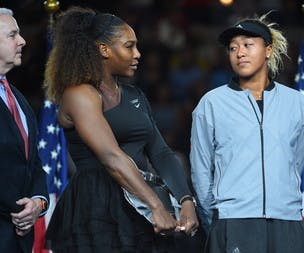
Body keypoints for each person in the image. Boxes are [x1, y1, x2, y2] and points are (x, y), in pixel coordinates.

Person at [43, 6, 198, 253]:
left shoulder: (135, 95)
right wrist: (155, 206)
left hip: (139, 203)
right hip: (96, 206)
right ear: (104, 49)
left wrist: (186, 199)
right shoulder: (79, 94)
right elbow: (111, 157)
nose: (137, 54)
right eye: (129, 46)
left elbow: (160, 153)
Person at [190, 13, 304, 253]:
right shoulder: (212, 103)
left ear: (268, 50)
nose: (239, 53)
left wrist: (284, 199)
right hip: (233, 220)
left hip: (287, 219)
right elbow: (201, 170)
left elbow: (296, 162)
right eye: (233, 48)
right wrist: (216, 219)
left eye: (248, 45)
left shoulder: (296, 103)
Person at [0, 7, 49, 253]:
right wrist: (18, 210)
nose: (23, 40)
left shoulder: (18, 99)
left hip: (18, 239)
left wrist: (38, 203)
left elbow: (33, 163)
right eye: (13, 35)